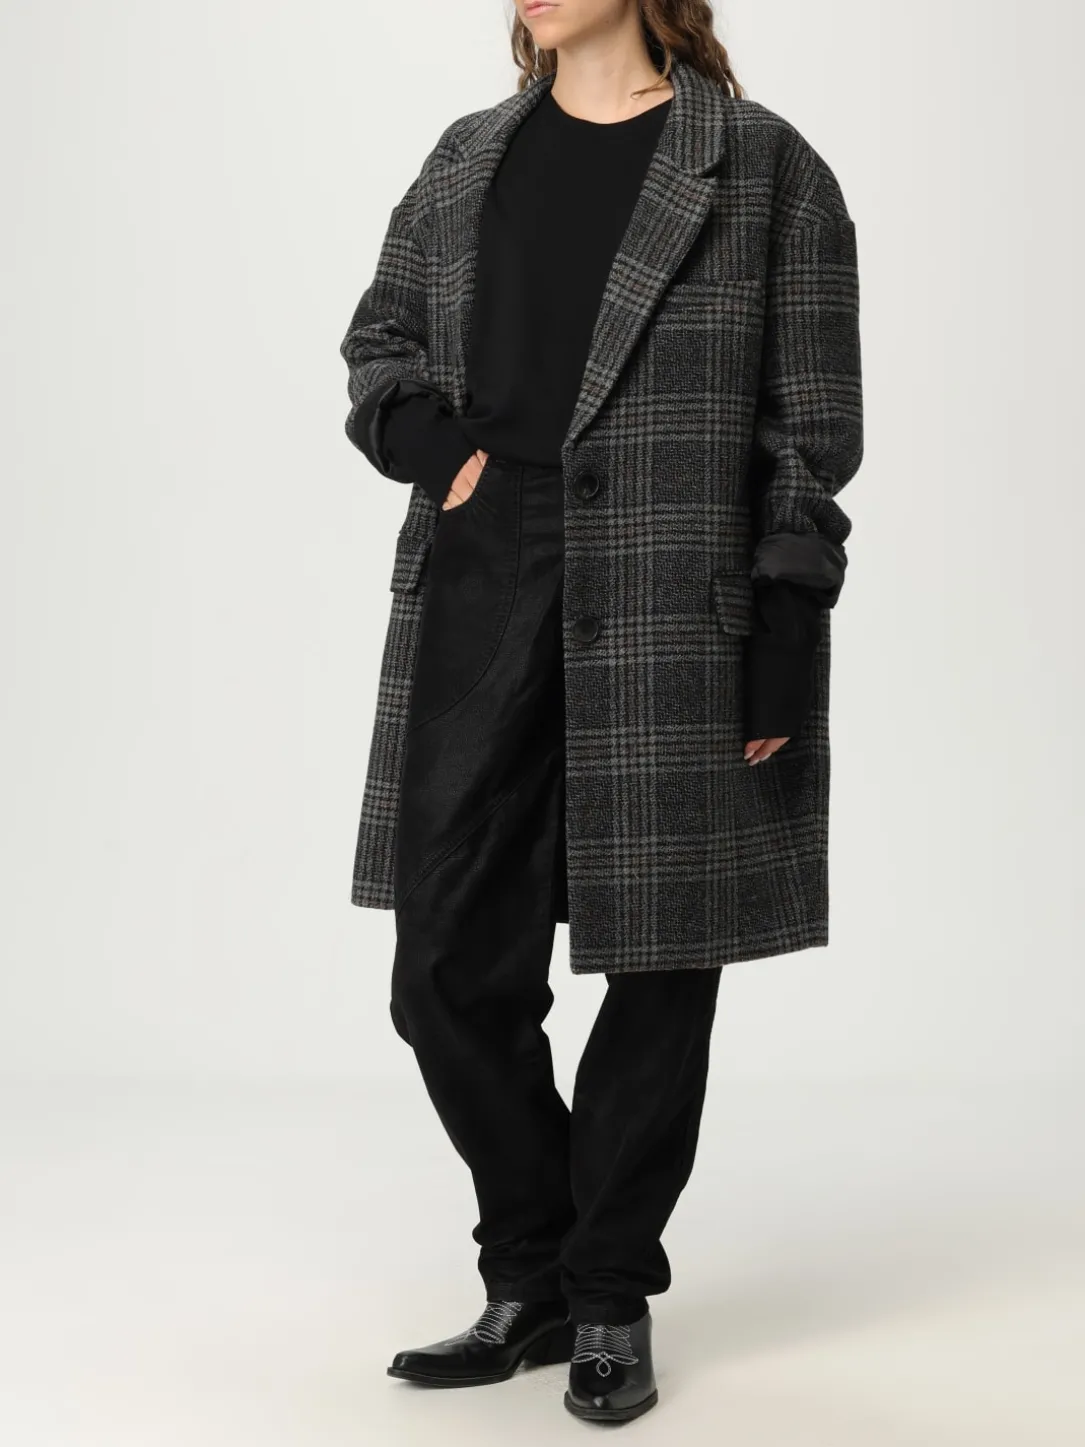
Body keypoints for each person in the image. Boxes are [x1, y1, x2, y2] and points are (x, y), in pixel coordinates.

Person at [339, 0, 862, 1424]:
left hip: (677, 586)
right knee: (444, 967)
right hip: (485, 572)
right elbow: (380, 342)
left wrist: (783, 626)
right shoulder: (466, 158)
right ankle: (538, 1266)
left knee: (660, 956)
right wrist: (440, 454)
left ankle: (605, 1289)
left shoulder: (764, 166)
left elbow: (812, 424)